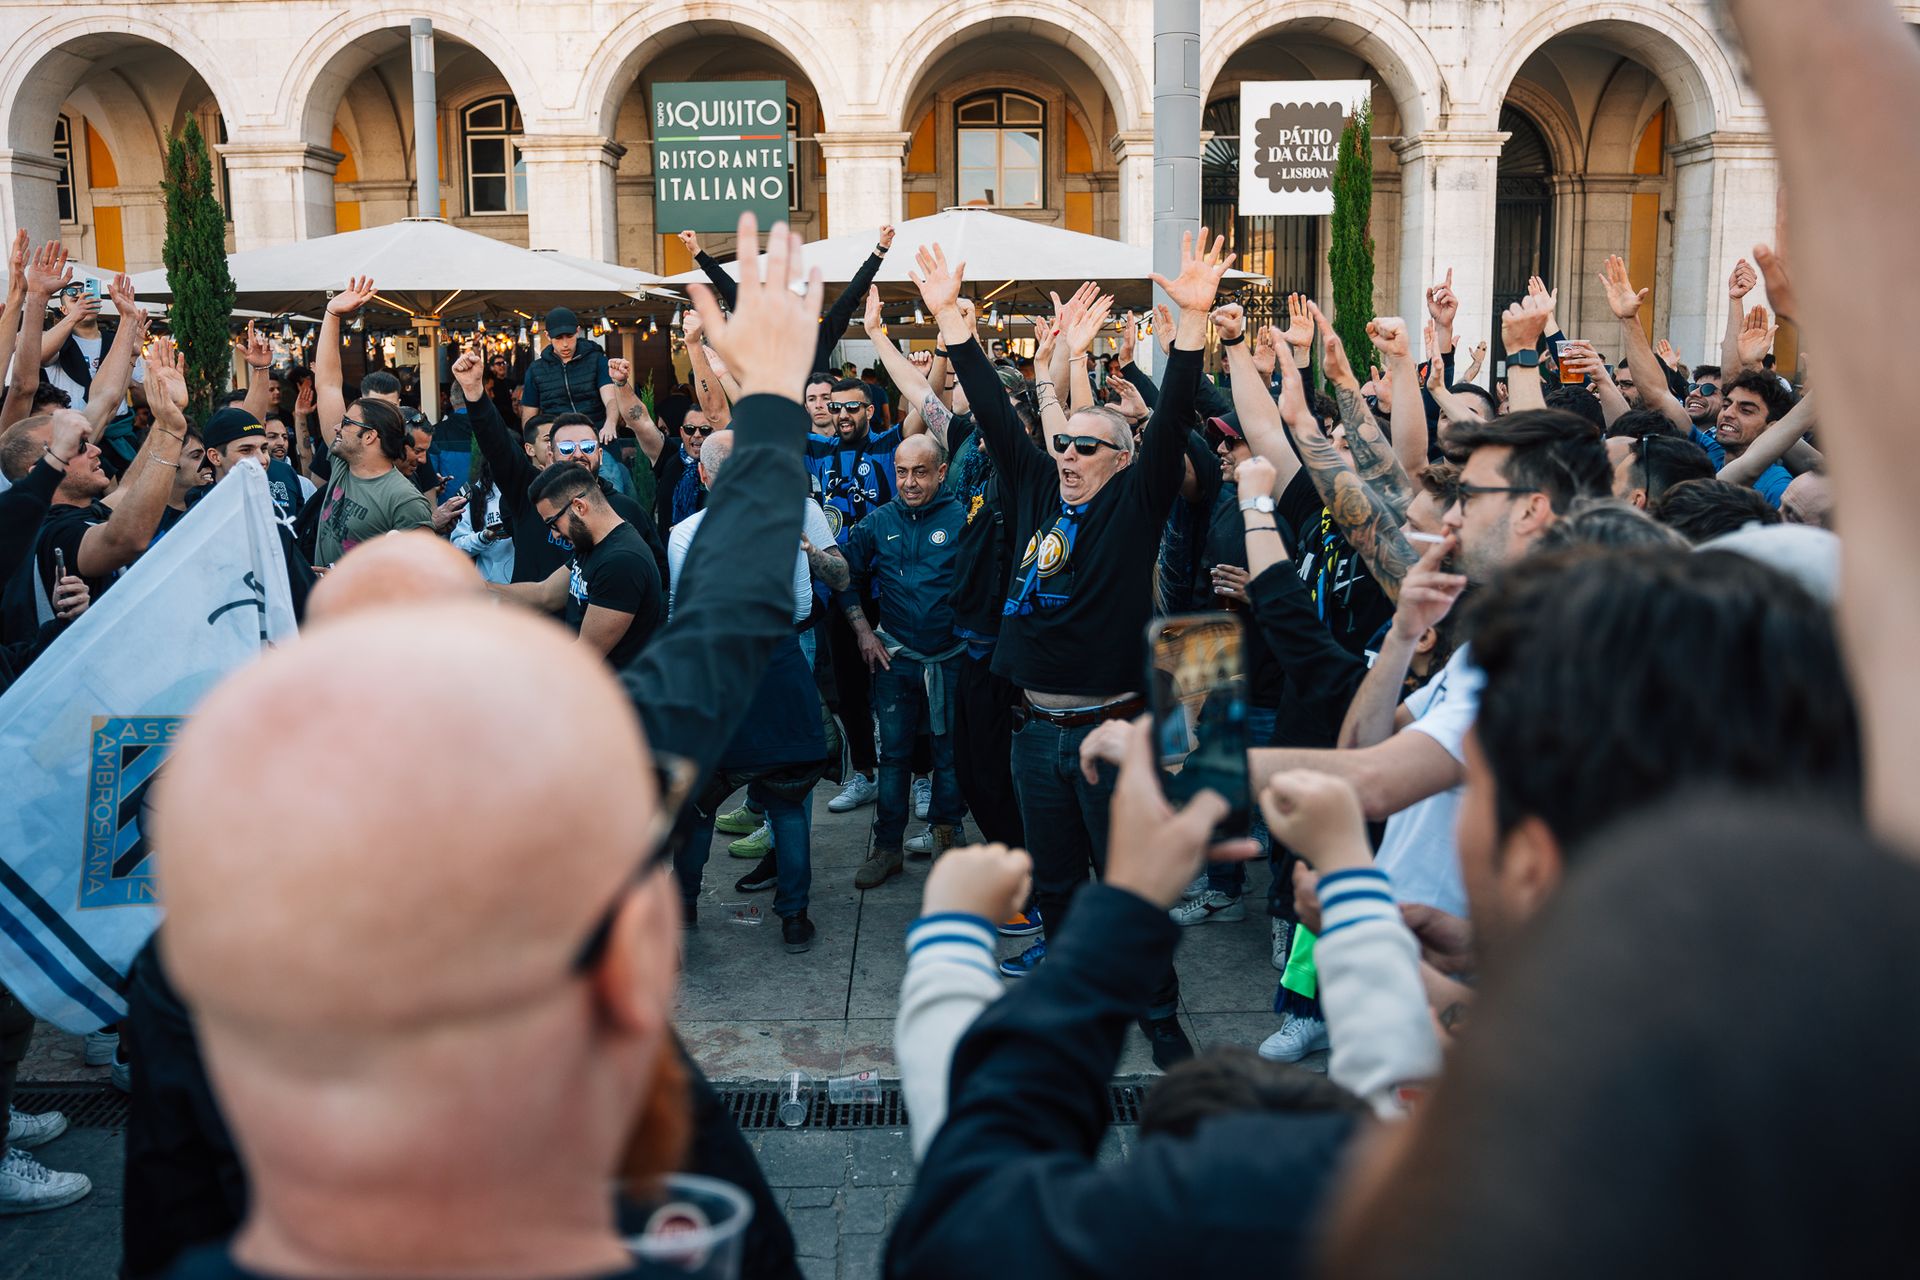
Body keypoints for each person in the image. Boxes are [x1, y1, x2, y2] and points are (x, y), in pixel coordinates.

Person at [909, 231, 1233, 1067]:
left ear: (1123, 462)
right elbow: (988, 405)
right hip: (1033, 731)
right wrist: (951, 321)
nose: (1069, 456)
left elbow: (1168, 430)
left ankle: (1159, 1015)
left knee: (1128, 884)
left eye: (1088, 446)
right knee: (1054, 881)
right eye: (1062, 444)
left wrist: (1189, 327)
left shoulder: (1137, 504)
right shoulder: (1033, 486)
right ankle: (1072, 993)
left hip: (1109, 733)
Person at [666, 427, 844, 934]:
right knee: (787, 803)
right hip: (778, 667)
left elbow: (682, 616)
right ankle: (794, 915)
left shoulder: (684, 534)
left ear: (703, 473)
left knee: (698, 806)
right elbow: (806, 604)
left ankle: (685, 908)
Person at [841, 434, 970, 888]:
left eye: (919, 472)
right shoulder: (878, 521)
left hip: (952, 660)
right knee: (893, 757)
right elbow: (843, 575)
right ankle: (888, 849)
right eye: (901, 471)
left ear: (940, 471)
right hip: (895, 660)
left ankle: (946, 841)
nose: (909, 482)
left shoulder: (964, 519)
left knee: (949, 757)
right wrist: (862, 631)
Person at [810, 375, 904, 816]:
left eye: (853, 407)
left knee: (899, 682)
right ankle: (864, 772)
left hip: (889, 584)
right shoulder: (818, 450)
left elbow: (923, 407)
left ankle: (917, 775)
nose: (843, 414)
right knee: (847, 686)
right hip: (836, 585)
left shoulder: (888, 446)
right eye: (837, 407)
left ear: (869, 410)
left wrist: (936, 354)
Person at [488, 463, 663, 667]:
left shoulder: (622, 561)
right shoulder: (592, 543)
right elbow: (545, 593)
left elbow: (584, 655)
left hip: (612, 693)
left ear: (579, 507)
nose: (553, 533)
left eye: (553, 523)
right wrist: (478, 588)